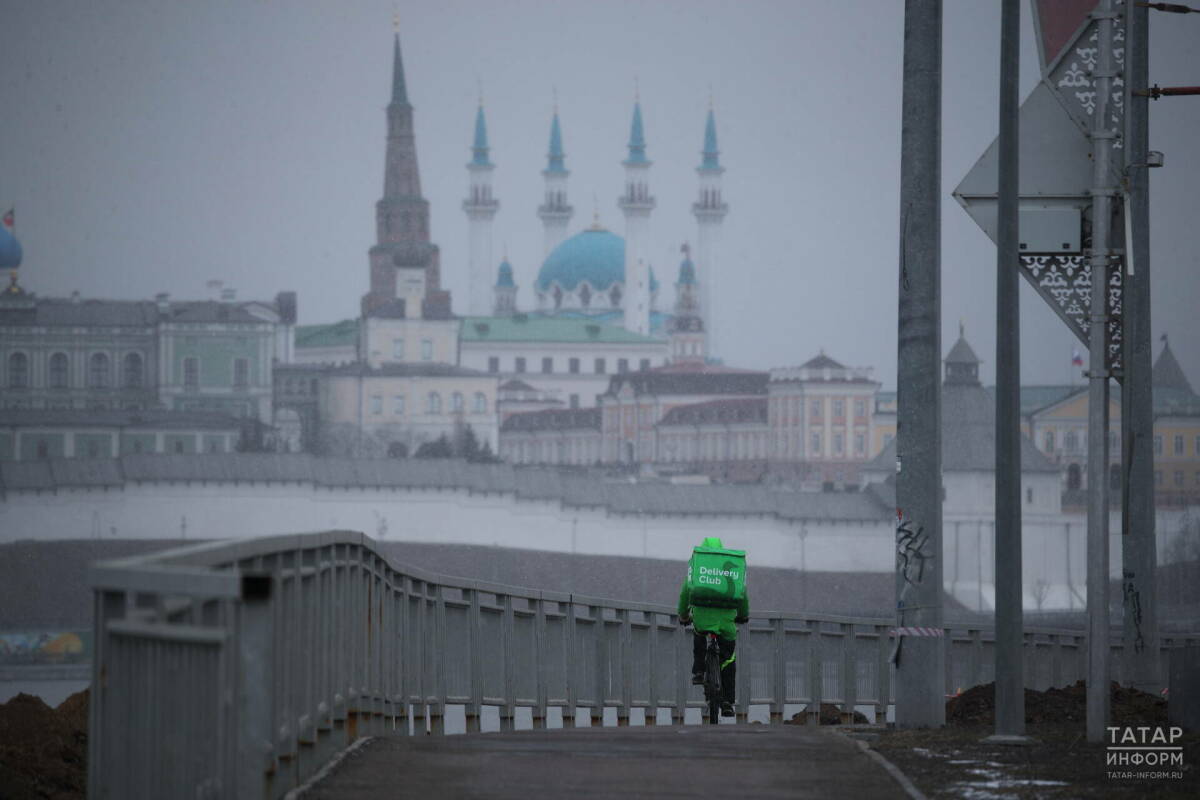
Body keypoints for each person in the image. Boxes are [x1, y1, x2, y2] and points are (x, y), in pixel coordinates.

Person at [677, 537, 749, 717]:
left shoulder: (699, 572)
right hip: (726, 625)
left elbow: (685, 593)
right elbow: (742, 596)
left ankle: (699, 671)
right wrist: (742, 615)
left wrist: (684, 615)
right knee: (729, 660)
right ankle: (727, 701)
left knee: (699, 633)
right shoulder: (730, 572)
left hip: (702, 619)